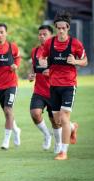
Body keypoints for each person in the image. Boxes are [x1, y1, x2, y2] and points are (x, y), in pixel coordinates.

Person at [39, 10, 88, 160]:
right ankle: (73, 128)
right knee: (57, 121)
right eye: (58, 28)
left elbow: (85, 61)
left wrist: (76, 62)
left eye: (63, 28)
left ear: (68, 28)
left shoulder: (75, 44)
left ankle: (63, 152)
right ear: (55, 28)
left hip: (68, 85)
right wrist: (42, 61)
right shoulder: (50, 43)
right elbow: (42, 56)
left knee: (64, 118)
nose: (60, 31)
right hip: (53, 85)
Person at [28, 25, 62, 153]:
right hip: (39, 91)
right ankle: (47, 135)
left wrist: (51, 72)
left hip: (54, 91)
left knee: (56, 121)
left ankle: (58, 144)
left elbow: (62, 70)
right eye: (40, 34)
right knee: (35, 114)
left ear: (51, 36)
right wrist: (31, 74)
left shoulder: (57, 50)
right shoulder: (35, 51)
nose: (41, 36)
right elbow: (33, 66)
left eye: (44, 34)